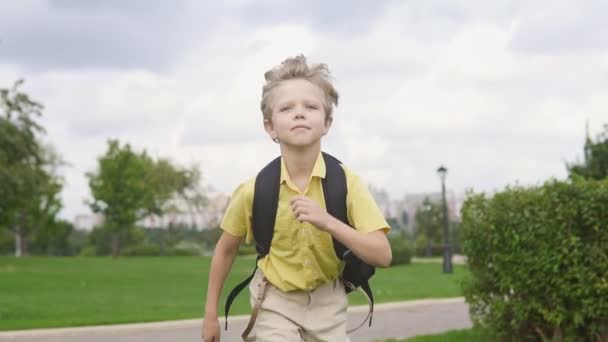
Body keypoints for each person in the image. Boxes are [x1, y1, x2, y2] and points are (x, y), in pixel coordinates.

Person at [201, 54, 392, 342]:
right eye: (287, 108)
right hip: (274, 301)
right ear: (270, 127)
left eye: (311, 106)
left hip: (329, 301)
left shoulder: (347, 183)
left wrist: (328, 222)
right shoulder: (254, 190)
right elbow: (225, 250)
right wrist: (210, 315)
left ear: (327, 122)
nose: (299, 113)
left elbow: (383, 254)